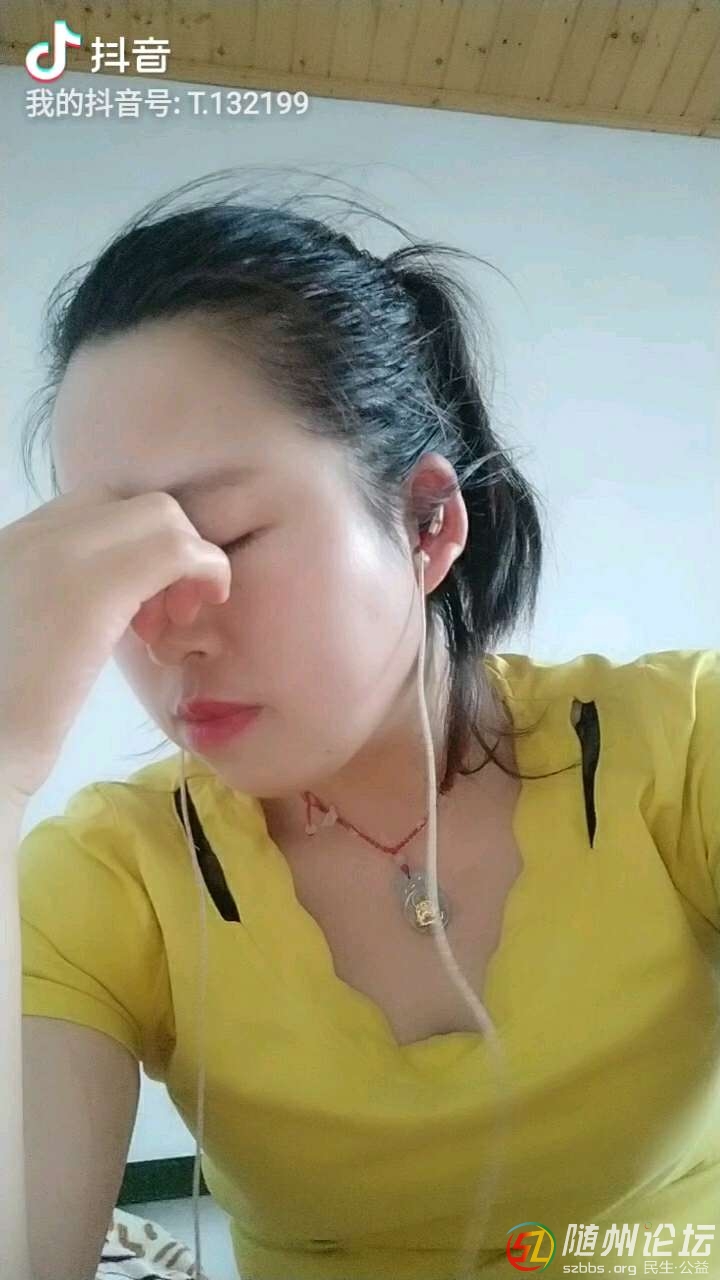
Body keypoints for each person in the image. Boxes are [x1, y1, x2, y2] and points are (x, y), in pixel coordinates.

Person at [5, 173, 719, 1280]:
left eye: (222, 539)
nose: (161, 629)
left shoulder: (679, 748)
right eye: (112, 562)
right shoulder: (114, 877)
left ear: (427, 523)